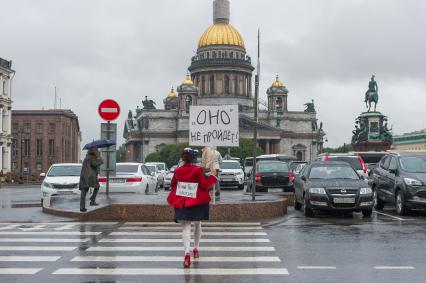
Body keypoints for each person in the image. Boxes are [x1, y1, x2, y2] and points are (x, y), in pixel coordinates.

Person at [167, 148, 218, 268]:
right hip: (196, 201)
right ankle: (196, 248)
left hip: (182, 201)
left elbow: (172, 184)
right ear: (194, 158)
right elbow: (205, 186)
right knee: (198, 223)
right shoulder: (197, 170)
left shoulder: (178, 170)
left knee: (185, 226)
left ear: (183, 158)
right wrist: (212, 176)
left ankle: (186, 254)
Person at [79, 146, 103, 212]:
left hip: (85, 176)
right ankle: (92, 200)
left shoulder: (87, 157)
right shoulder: (91, 157)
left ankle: (83, 207)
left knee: (84, 191)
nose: (97, 150)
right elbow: (94, 164)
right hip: (90, 176)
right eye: (96, 149)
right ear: (93, 150)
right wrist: (100, 159)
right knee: (97, 186)